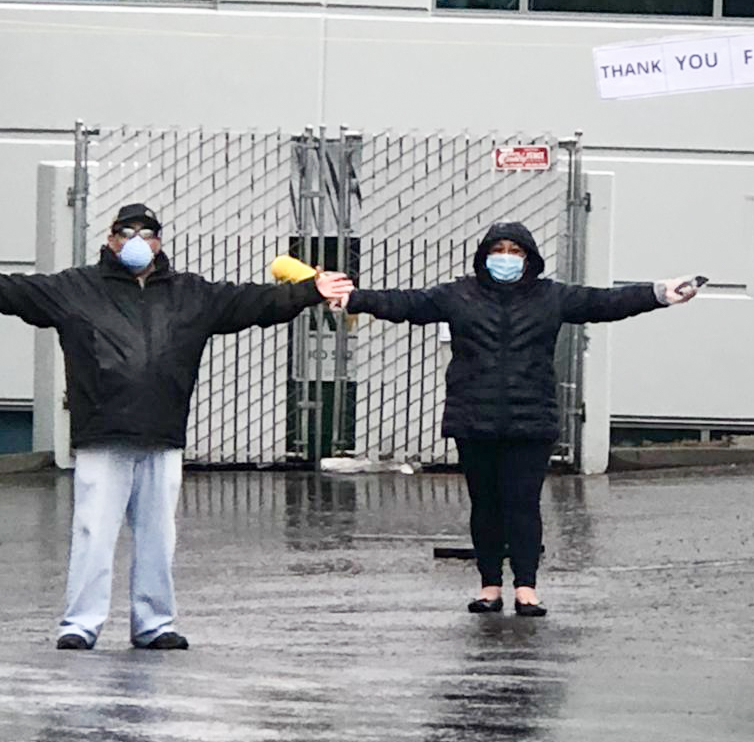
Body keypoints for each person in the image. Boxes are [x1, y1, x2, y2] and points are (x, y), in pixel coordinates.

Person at [0, 203, 353, 650]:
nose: (136, 240)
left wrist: (310, 289)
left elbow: (256, 302)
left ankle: (154, 624)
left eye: (147, 232)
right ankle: (80, 625)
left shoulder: (190, 294)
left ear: (160, 241)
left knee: (158, 535)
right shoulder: (75, 288)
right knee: (93, 532)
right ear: (109, 239)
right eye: (126, 231)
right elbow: (12, 291)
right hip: (103, 433)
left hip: (162, 432)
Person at [333, 220, 699, 615]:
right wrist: (355, 298)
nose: (505, 258)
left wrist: (659, 294)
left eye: (515, 251)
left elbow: (604, 303)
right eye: (498, 250)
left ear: (529, 258)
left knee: (523, 503)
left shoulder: (551, 296)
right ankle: (489, 586)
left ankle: (527, 587)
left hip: (531, 418)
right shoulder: (458, 295)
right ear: (484, 256)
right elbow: (405, 304)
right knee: (485, 504)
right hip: (474, 416)